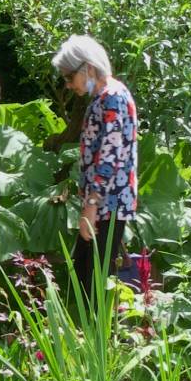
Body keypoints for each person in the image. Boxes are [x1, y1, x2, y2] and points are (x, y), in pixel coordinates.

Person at [54, 35, 139, 299]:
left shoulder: (112, 96)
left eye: (69, 77)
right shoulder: (104, 97)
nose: (68, 85)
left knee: (92, 288)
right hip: (102, 204)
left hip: (107, 205)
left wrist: (91, 205)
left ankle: (96, 340)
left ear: (88, 67)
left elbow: (109, 157)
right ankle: (86, 338)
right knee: (83, 282)